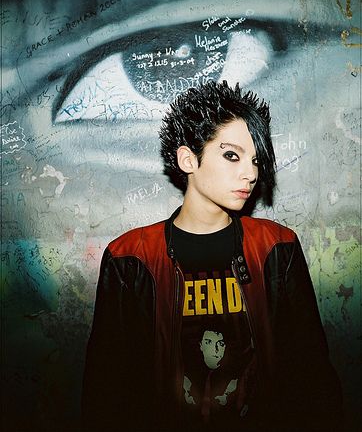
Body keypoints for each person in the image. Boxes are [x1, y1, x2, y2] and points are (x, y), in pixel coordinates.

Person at [82, 80, 343, 432]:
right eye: (231, 155)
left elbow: (310, 374)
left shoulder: (277, 248)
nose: (250, 174)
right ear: (188, 159)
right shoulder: (130, 258)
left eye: (255, 160)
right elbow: (108, 390)